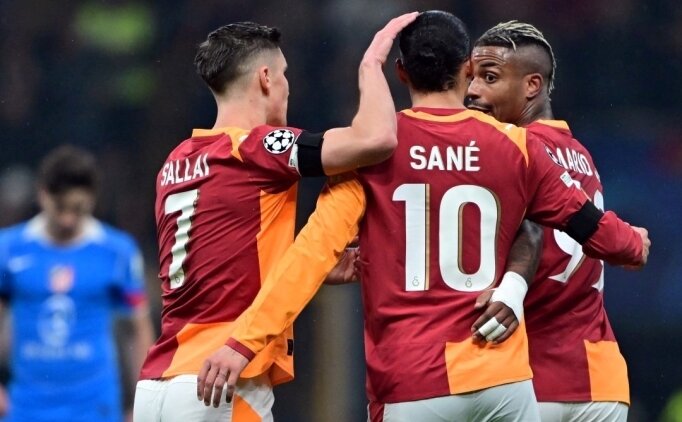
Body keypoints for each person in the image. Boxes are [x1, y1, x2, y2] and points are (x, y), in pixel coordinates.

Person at [197, 10, 650, 422]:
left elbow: (310, 255)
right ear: (467, 69)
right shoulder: (518, 147)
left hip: (412, 381)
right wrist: (633, 242)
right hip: (499, 380)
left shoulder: (370, 155)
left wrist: (244, 342)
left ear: (401, 72)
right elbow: (595, 230)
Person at [133, 13, 419, 422]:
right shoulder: (255, 147)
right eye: (284, 74)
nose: (288, 86)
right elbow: (377, 139)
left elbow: (214, 261)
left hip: (157, 386)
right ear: (266, 78)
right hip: (221, 378)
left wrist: (310, 268)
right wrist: (371, 65)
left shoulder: (176, 162)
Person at [466, 21, 635, 421]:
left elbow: (531, 230)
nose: (472, 91)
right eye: (471, 78)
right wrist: (630, 238)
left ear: (532, 85)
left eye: (489, 78)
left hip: (530, 375)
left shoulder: (512, 150)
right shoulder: (582, 156)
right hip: (601, 379)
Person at [0, 145, 154, 422]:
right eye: (60, 208)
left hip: (95, 406)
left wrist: (144, 401)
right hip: (26, 406)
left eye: (78, 208)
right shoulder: (9, 249)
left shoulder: (117, 251)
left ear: (93, 199)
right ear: (42, 194)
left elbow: (137, 327)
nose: (68, 219)